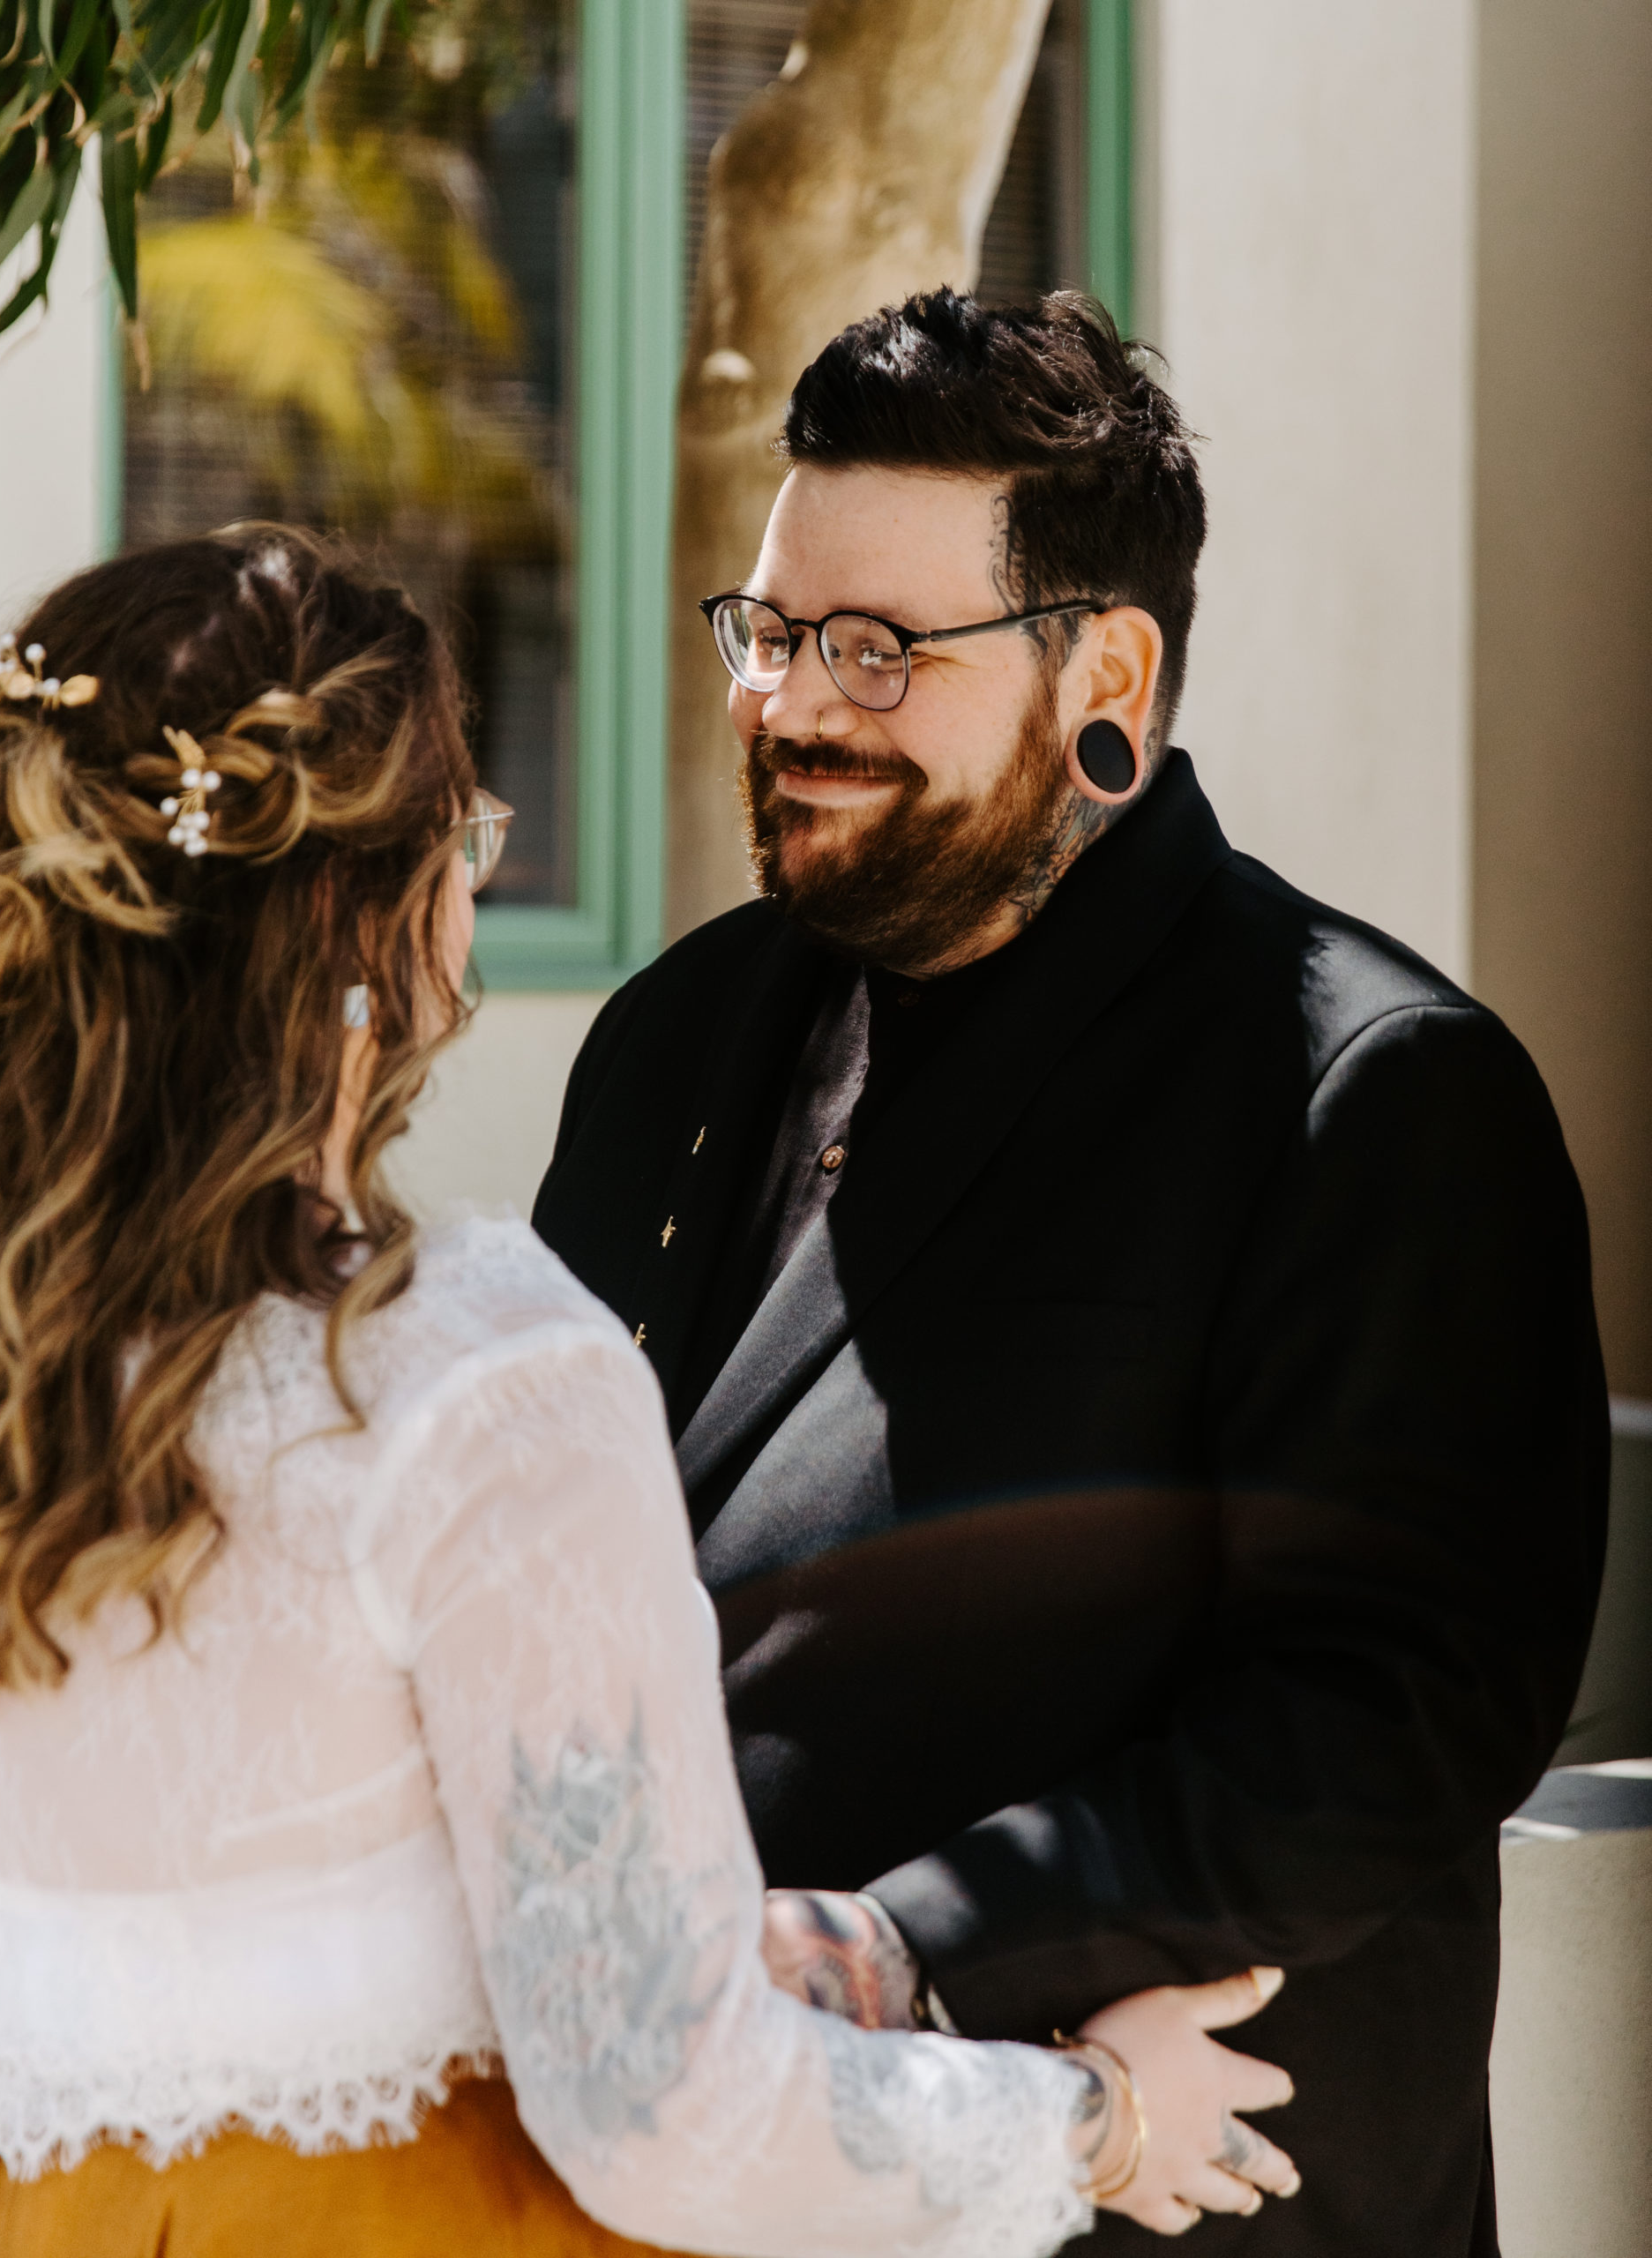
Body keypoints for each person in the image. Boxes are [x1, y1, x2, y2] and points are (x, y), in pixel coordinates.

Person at [0, 526, 1299, 2257]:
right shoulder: (468, 1374)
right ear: (359, 922)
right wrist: (1094, 2121)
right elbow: (666, 2115)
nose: (474, 877)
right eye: (466, 839)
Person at [532, 291, 1611, 2256]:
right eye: (767, 633)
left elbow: (1390, 1717)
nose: (791, 701)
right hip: (686, 2174)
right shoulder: (672, 1034)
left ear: (1105, 668)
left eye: (876, 646)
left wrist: (894, 1952)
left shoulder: (1369, 1090)